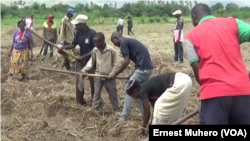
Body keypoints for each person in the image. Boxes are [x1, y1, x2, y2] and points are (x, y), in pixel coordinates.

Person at [186, 3, 250, 124]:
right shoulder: (233, 23)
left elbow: (199, 77)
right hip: (243, 91)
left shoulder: (191, 37)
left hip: (214, 95)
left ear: (194, 17)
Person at [125, 72, 192, 136]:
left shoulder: (142, 90)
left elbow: (147, 113)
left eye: (132, 95)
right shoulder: (149, 90)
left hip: (179, 82)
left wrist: (143, 129)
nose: (133, 98)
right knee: (164, 109)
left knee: (159, 106)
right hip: (185, 80)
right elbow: (155, 111)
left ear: (136, 90)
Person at [110, 31, 153, 122]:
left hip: (142, 70)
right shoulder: (129, 41)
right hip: (147, 69)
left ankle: (124, 117)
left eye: (114, 42)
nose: (115, 45)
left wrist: (115, 74)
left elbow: (126, 61)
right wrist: (133, 74)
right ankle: (145, 116)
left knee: (129, 90)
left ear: (117, 38)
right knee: (138, 92)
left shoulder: (123, 43)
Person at [80, 32, 122, 115]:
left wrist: (113, 73)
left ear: (102, 41)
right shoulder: (95, 50)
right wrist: (84, 70)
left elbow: (116, 64)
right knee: (96, 93)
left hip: (109, 77)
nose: (95, 44)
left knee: (112, 93)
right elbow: (91, 62)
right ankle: (95, 109)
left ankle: (117, 110)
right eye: (94, 42)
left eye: (97, 42)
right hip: (98, 75)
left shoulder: (111, 50)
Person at [58, 15, 96, 105]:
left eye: (77, 25)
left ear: (83, 24)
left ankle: (95, 101)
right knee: (79, 78)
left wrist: (84, 57)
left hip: (92, 61)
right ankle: (80, 101)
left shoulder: (92, 34)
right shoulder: (78, 33)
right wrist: (64, 48)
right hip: (81, 61)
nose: (75, 27)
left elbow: (96, 50)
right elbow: (73, 44)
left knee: (93, 81)